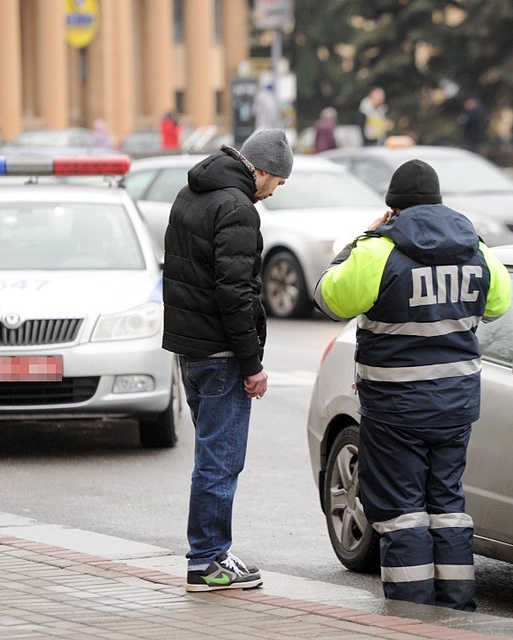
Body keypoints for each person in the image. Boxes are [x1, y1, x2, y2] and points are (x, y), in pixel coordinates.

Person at [312, 159, 511, 611]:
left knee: (402, 513)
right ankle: (457, 608)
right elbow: (500, 303)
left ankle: (412, 616)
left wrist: (358, 242)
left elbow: (328, 297)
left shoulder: (377, 250)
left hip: (395, 409)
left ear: (393, 209)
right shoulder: (474, 247)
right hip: (456, 406)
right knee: (447, 504)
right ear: (439, 203)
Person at [162, 129, 293, 592]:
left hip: (191, 350)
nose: (272, 191)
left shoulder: (189, 193)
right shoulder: (237, 208)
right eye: (274, 181)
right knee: (220, 462)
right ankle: (207, 560)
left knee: (211, 457)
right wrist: (252, 363)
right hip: (221, 356)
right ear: (258, 169)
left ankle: (213, 554)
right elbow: (235, 293)